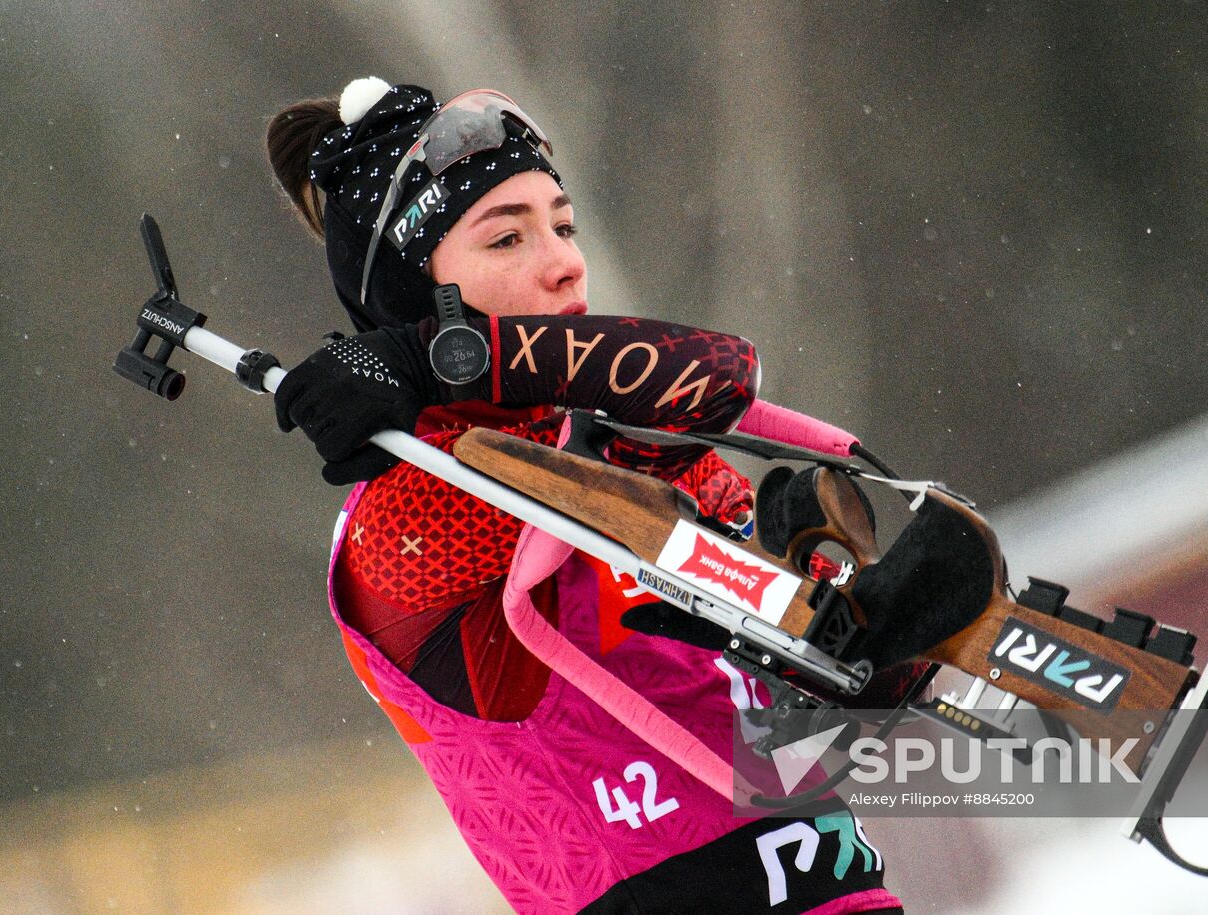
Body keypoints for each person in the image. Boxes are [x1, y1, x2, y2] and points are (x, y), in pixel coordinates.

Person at [265, 77, 911, 914]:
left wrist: (877, 637)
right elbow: (715, 375)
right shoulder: (413, 507)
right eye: (507, 239)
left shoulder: (625, 438)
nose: (566, 259)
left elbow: (717, 380)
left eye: (563, 226)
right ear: (413, 293)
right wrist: (434, 365)